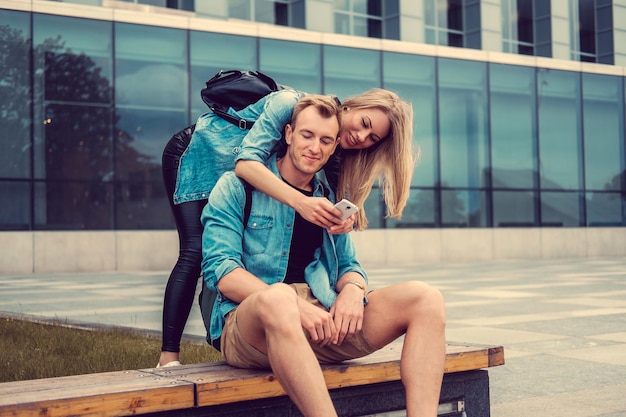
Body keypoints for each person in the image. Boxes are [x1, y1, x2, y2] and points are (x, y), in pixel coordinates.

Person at [201, 94, 446, 417]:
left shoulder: (329, 200)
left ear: (334, 148)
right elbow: (223, 274)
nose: (315, 147)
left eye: (326, 141)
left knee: (426, 298)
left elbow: (349, 265)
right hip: (250, 324)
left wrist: (352, 291)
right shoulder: (236, 187)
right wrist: (295, 306)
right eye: (307, 135)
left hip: (321, 321)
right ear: (288, 134)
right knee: (278, 299)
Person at [158, 85, 416, 367]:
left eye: (372, 138)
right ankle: (168, 357)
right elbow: (245, 166)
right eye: (364, 124)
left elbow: (323, 198)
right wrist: (302, 204)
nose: (361, 136)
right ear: (351, 107)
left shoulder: (332, 146)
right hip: (196, 151)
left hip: (241, 174)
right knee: (195, 251)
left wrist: (343, 220)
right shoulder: (289, 104)